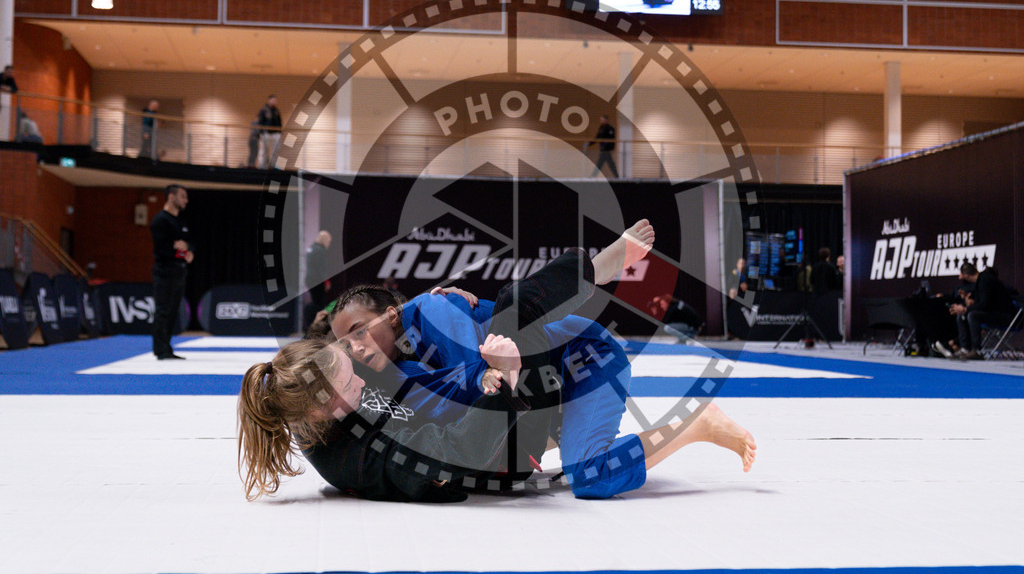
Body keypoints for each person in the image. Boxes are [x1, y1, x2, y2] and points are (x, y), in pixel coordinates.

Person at [238, 220, 757, 502]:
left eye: (356, 338)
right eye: (345, 346)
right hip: (527, 384)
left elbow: (472, 372)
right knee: (590, 478)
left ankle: (595, 269)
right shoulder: (358, 380)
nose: (356, 350)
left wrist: (507, 396)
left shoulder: (432, 310)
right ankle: (693, 426)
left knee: (497, 324)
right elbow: (434, 427)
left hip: (581, 355)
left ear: (393, 316)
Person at [150, 185, 192, 360]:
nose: (186, 200)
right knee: (163, 310)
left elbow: (189, 242)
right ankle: (160, 349)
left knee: (173, 311)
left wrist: (187, 249)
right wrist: (183, 252)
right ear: (171, 197)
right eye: (182, 196)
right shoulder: (160, 221)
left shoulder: (181, 222)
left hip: (179, 273)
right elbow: (162, 249)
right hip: (164, 272)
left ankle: (167, 346)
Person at [948, 262, 1014, 359]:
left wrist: (966, 309)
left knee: (972, 315)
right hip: (993, 313)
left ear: (965, 275)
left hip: (1005, 316)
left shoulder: (985, 280)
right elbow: (981, 304)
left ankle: (977, 351)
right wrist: (968, 305)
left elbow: (985, 305)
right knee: (961, 316)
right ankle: (964, 349)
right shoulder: (980, 282)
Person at [303, 230, 332, 331]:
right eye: (328, 241)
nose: (328, 244)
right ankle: (317, 328)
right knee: (319, 305)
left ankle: (313, 326)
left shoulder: (310, 249)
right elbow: (322, 268)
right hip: (317, 280)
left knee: (315, 302)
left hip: (310, 279)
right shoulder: (320, 250)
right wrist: (326, 281)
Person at [249, 95, 282, 168]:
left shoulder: (276, 111)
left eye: (275, 101)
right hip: (266, 133)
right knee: (264, 150)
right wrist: (261, 132)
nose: (274, 102)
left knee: (276, 150)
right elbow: (260, 122)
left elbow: (279, 122)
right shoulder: (263, 110)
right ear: (269, 100)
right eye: (273, 100)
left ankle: (273, 165)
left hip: (275, 133)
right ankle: (262, 165)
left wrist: (279, 132)